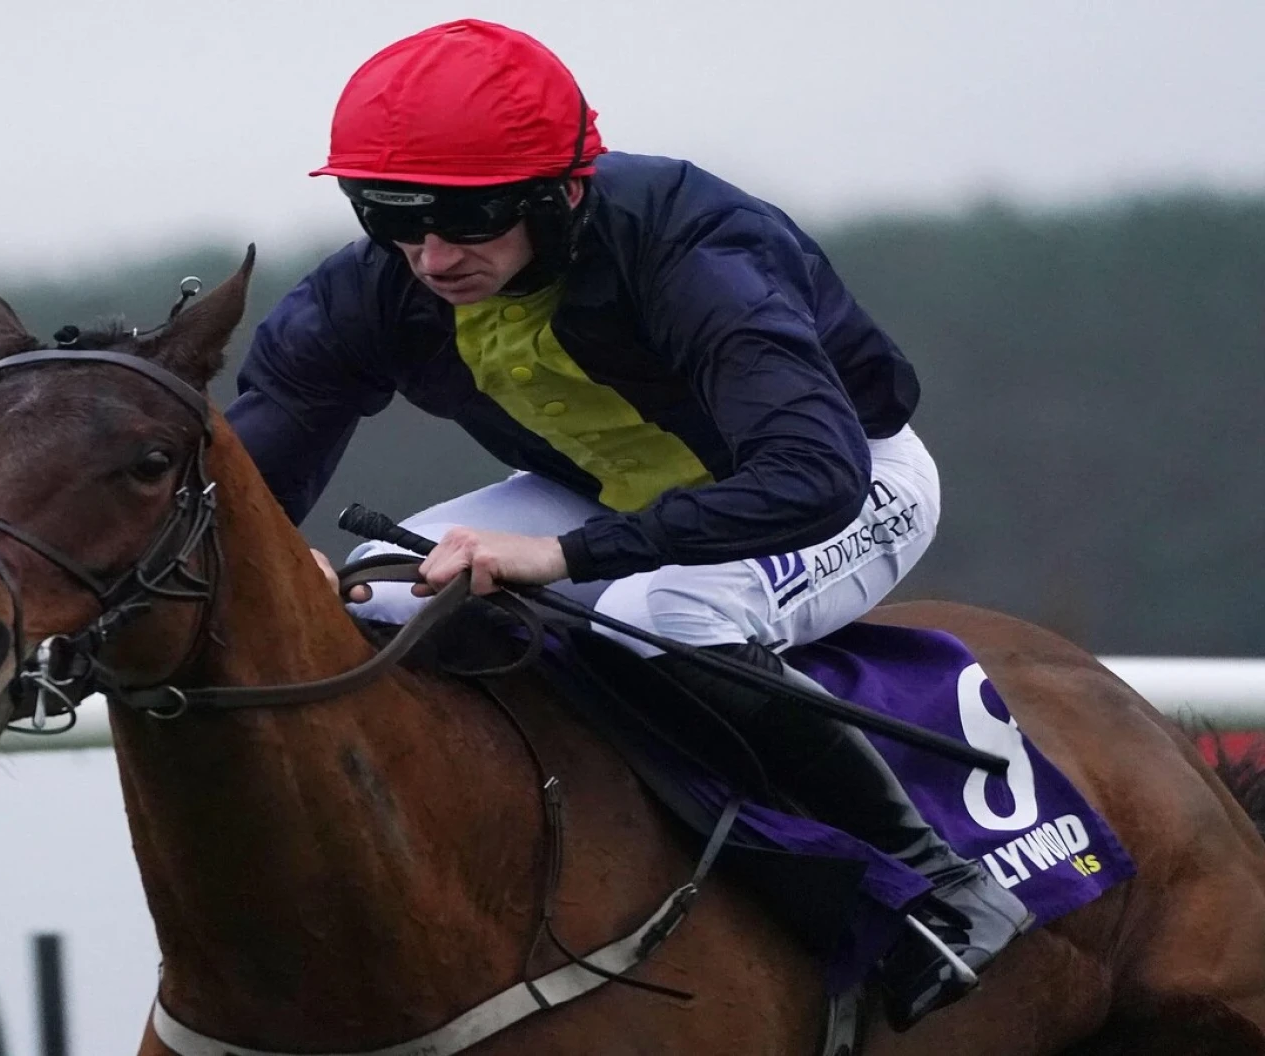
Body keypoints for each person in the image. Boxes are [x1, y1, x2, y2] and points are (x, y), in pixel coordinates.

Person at [224, 18, 1030, 1030]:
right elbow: (251, 472)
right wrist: (260, 553)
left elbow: (808, 475)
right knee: (381, 591)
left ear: (561, 193)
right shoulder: (375, 286)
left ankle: (935, 888)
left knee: (677, 610)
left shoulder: (696, 249)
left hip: (844, 481)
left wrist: (567, 556)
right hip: (614, 491)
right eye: (390, 216)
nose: (429, 257)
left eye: (467, 221)